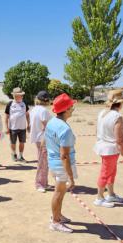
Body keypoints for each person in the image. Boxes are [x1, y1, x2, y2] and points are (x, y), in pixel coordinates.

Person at [92, 89, 123, 208]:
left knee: (111, 171)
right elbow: (120, 140)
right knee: (105, 172)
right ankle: (99, 197)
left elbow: (97, 130)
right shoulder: (117, 116)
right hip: (110, 149)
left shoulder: (102, 113)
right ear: (120, 103)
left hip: (104, 147)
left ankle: (111, 194)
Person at [45, 93, 78, 233]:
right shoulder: (64, 129)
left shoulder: (52, 122)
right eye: (71, 107)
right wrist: (71, 177)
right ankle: (55, 221)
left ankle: (57, 215)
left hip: (53, 162)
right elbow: (64, 156)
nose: (73, 109)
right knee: (59, 193)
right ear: (65, 110)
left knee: (60, 192)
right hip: (60, 165)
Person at [29, 91, 52, 192]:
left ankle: (44, 183)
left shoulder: (34, 109)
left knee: (44, 161)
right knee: (42, 162)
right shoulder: (43, 110)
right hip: (43, 139)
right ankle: (39, 184)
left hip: (38, 138)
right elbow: (46, 124)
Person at [5, 87, 30, 162]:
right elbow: (6, 117)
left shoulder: (24, 103)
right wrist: (7, 128)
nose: (18, 96)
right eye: (16, 95)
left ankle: (21, 156)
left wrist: (28, 124)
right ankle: (14, 154)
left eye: (20, 95)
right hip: (13, 128)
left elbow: (27, 115)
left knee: (22, 142)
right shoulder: (10, 104)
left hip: (22, 128)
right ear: (14, 96)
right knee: (13, 142)